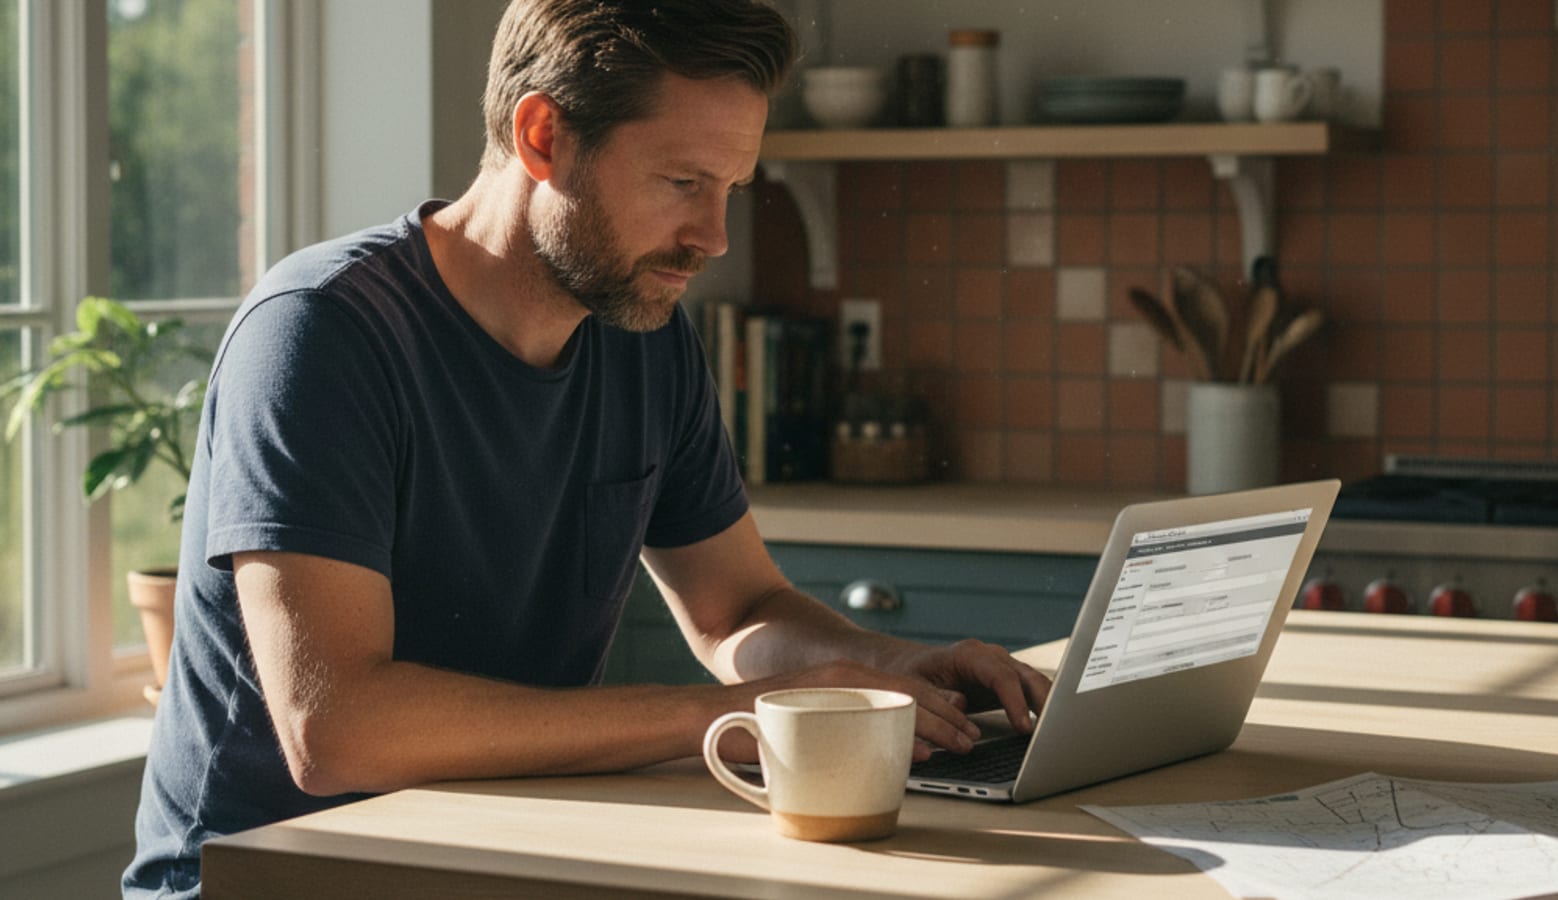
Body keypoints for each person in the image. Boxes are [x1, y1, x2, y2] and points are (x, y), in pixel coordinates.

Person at [124, 1, 1051, 895]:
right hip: (273, 880)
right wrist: (724, 715)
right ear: (541, 137)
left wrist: (887, 674)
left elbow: (736, 610)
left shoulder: (644, 336)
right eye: (682, 182)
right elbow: (336, 729)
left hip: (501, 857)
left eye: (729, 189)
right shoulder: (322, 333)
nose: (714, 238)